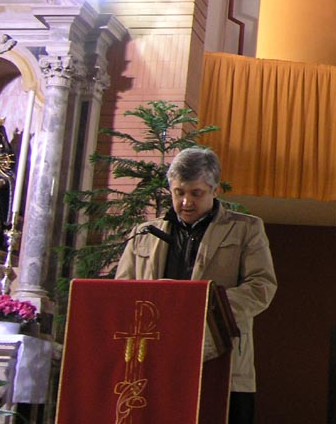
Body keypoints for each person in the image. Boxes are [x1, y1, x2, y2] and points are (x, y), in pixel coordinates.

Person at [115, 147, 277, 424]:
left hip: (220, 356)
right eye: (179, 192)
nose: (186, 202)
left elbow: (261, 287)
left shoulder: (246, 229)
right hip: (156, 359)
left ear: (215, 190)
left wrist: (202, 306)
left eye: (196, 193)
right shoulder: (143, 234)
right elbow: (122, 294)